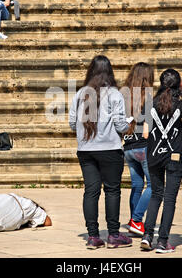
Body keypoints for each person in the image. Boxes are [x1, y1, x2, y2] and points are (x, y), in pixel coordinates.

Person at [69, 55, 132, 249]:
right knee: (112, 190)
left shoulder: (80, 94)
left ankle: (93, 236)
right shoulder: (114, 94)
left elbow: (72, 123)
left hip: (86, 149)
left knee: (91, 191)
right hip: (110, 149)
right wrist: (129, 123)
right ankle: (113, 234)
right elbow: (121, 125)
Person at [140, 69, 182, 254]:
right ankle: (162, 241)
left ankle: (147, 236)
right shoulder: (179, 104)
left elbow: (145, 133)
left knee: (156, 195)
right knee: (170, 199)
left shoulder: (150, 104)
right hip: (174, 155)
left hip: (154, 154)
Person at [121, 62, 154, 236]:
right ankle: (137, 219)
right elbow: (147, 131)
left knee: (137, 184)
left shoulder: (122, 95)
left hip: (127, 146)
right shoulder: (147, 97)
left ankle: (134, 221)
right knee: (153, 185)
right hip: (142, 146)